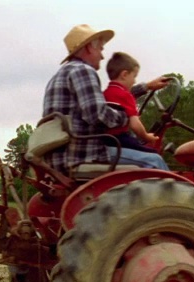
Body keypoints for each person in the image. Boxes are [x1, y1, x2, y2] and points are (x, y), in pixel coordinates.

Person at [43, 24, 170, 174]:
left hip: (62, 155)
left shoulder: (62, 74)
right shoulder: (83, 71)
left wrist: (147, 86)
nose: (102, 56)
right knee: (155, 161)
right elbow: (97, 114)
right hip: (82, 154)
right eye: (101, 49)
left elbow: (109, 98)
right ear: (89, 48)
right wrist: (127, 117)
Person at [103, 52, 161, 154]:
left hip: (105, 140)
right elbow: (135, 124)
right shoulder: (126, 95)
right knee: (154, 154)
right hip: (120, 140)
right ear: (124, 75)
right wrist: (146, 136)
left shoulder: (105, 94)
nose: (134, 81)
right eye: (134, 76)